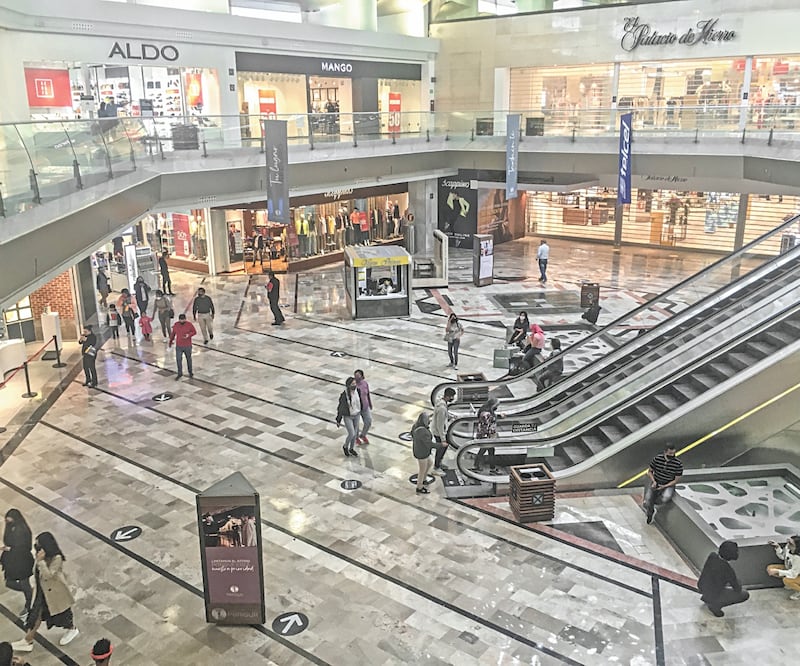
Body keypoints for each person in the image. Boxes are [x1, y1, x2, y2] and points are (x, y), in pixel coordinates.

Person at [12, 532, 79, 653]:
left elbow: (48, 575)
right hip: (42, 593)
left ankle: (72, 629)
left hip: (55, 594)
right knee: (35, 616)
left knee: (62, 615)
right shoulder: (40, 556)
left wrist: (41, 561)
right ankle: (28, 640)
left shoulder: (56, 558)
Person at [697, 540, 749, 617]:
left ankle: (707, 598)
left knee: (714, 585)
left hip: (702, 587)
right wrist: (739, 582)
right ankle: (715, 605)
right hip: (713, 593)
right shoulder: (728, 570)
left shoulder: (712, 556)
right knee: (744, 594)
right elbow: (737, 588)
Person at [1, 510, 34, 621]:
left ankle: (29, 604)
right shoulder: (11, 527)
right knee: (10, 583)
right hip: (12, 561)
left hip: (23, 562)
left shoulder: (23, 530)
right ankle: (30, 592)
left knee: (24, 583)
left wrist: (10, 549)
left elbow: (25, 548)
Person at [643, 445, 684, 524]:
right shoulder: (657, 459)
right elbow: (650, 471)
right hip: (656, 481)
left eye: (673, 453)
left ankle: (653, 504)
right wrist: (654, 481)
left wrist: (665, 486)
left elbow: (676, 480)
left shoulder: (678, 464)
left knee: (665, 497)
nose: (672, 455)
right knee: (648, 499)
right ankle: (650, 512)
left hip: (668, 484)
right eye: (670, 453)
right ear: (665, 452)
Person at [472, 397, 503, 475]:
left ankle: (491, 468)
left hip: (488, 435)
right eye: (496, 405)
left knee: (491, 451)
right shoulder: (486, 414)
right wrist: (491, 435)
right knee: (483, 450)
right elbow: (488, 422)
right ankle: (477, 466)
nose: (497, 407)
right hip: (487, 436)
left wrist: (498, 416)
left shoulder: (486, 411)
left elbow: (491, 418)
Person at [767, 535, 800, 600]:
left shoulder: (798, 558)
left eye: (790, 543)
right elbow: (783, 556)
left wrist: (777, 571)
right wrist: (777, 547)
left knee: (786, 580)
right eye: (788, 541)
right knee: (770, 568)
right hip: (790, 569)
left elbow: (793, 574)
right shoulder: (788, 548)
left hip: (796, 574)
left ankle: (798, 591)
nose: (788, 544)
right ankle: (792, 584)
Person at [432, 387, 456, 474]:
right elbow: (440, 425)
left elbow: (444, 416)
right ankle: (436, 467)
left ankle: (439, 463)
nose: (453, 398)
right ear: (448, 396)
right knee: (441, 449)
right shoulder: (441, 408)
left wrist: (450, 416)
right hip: (439, 432)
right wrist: (443, 439)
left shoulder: (442, 403)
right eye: (452, 396)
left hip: (440, 431)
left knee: (444, 448)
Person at [335, 377, 361, 457]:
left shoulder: (358, 391)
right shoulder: (344, 395)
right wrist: (338, 419)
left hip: (357, 414)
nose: (354, 385)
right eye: (352, 384)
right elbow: (340, 408)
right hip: (348, 416)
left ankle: (351, 448)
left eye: (355, 383)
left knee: (355, 433)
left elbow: (360, 402)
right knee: (351, 433)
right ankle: (345, 446)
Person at [411, 412, 436, 494]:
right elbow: (429, 444)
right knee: (422, 470)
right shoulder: (422, 431)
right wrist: (440, 445)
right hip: (422, 453)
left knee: (430, 462)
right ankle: (419, 487)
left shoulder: (416, 426)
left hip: (422, 450)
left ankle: (424, 479)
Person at [169, 314, 197, 379]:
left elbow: (194, 332)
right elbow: (173, 334)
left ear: (185, 319)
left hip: (187, 345)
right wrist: (170, 342)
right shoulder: (176, 325)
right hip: (179, 346)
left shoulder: (189, 325)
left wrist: (188, 335)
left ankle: (190, 372)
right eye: (180, 320)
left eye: (183, 319)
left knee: (188, 359)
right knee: (178, 359)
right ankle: (180, 373)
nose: (182, 321)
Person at [354, 369, 372, 445]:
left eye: (358, 375)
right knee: (356, 425)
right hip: (356, 408)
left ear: (362, 376)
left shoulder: (365, 384)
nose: (356, 377)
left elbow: (367, 394)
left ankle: (363, 435)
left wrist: (370, 403)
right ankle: (356, 438)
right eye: (355, 375)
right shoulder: (353, 385)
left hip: (365, 407)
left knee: (368, 421)